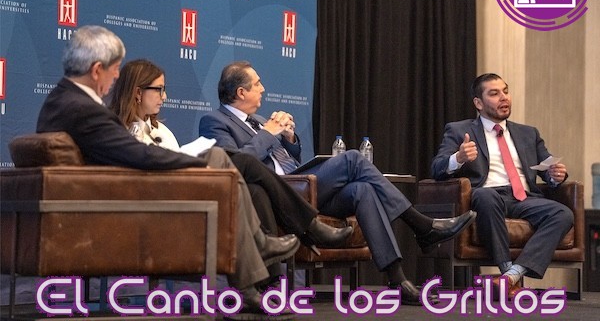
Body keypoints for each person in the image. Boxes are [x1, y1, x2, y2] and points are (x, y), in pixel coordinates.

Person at [35, 25, 300, 318]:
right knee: (218, 159)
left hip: (115, 195)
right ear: (97, 70)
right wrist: (193, 162)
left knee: (219, 159)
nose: (117, 76)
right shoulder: (83, 108)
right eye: (115, 69)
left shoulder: (62, 100)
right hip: (123, 206)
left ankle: (253, 272)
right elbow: (137, 154)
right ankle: (257, 253)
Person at [198, 61, 478, 305]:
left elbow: (290, 160)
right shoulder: (214, 121)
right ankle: (421, 225)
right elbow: (238, 164)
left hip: (300, 185)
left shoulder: (259, 120)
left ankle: (398, 280)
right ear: (241, 92)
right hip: (276, 194)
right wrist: (269, 133)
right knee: (353, 158)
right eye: (257, 84)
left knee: (363, 189)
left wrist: (289, 138)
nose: (263, 89)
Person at [107, 59, 353, 287]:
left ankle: (269, 282)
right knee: (241, 160)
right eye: (159, 90)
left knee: (255, 189)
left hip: (193, 194)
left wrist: (287, 138)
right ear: (138, 93)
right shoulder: (121, 133)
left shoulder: (163, 131)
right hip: (164, 204)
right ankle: (309, 226)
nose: (165, 96)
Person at [431, 73, 573, 298]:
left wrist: (556, 175)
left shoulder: (528, 133)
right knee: (485, 196)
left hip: (524, 198)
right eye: (494, 94)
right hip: (488, 196)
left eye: (505, 91)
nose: (504, 98)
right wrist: (458, 158)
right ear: (478, 103)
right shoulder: (459, 130)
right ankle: (508, 271)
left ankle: (509, 277)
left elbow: (547, 171)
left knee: (563, 214)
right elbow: (437, 168)